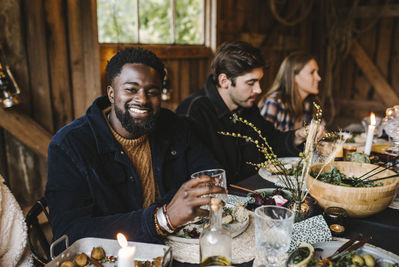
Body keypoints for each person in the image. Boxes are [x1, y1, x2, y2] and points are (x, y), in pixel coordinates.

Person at [45, 47, 226, 245]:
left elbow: (210, 174)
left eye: (152, 92)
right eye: (131, 90)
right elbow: (68, 233)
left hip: (181, 243)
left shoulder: (175, 125)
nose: (142, 99)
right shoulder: (69, 145)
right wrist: (162, 218)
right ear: (111, 94)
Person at [176, 41, 308, 184]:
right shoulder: (193, 112)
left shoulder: (248, 107)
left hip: (253, 193)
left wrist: (298, 136)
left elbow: (270, 143)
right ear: (224, 81)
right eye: (251, 83)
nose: (259, 90)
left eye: (259, 81)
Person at [258, 51, 321, 132]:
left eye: (317, 72)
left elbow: (325, 137)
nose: (319, 78)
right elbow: (260, 141)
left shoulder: (309, 104)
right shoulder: (274, 103)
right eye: (312, 72)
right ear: (294, 77)